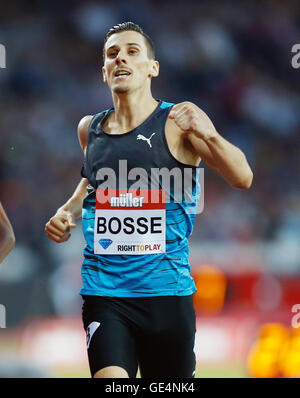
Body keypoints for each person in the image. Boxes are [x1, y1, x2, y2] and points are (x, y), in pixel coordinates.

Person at [45, 22, 253, 378]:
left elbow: (242, 177)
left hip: (168, 296)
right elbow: (89, 186)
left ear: (152, 68)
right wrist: (67, 211)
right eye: (112, 54)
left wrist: (209, 134)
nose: (121, 58)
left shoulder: (177, 122)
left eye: (131, 51)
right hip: (106, 294)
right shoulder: (89, 129)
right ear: (104, 71)